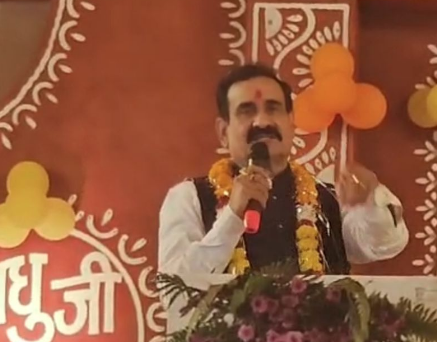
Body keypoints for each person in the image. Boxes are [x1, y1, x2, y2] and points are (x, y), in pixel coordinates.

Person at [158, 64, 409, 278]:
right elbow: (175, 288)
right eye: (247, 111)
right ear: (224, 132)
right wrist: (232, 217)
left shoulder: (330, 197)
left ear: (291, 123)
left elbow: (384, 246)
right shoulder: (188, 197)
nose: (262, 121)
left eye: (273, 108)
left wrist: (368, 205)